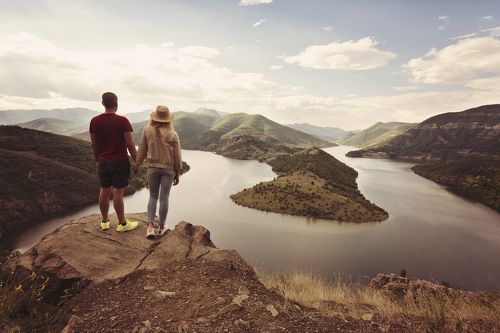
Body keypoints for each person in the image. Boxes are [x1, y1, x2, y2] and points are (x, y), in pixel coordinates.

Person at [89, 92, 139, 232]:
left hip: (104, 161)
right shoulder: (122, 121)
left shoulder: (94, 121)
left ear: (103, 103)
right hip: (120, 162)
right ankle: (122, 224)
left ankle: (105, 222)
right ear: (116, 103)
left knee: (104, 191)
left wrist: (98, 160)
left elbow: (94, 144)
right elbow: (130, 144)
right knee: (118, 194)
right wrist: (138, 161)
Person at [134, 105, 182, 238]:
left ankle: (150, 227)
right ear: (168, 120)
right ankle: (161, 227)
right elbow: (177, 156)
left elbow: (142, 149)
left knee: (153, 196)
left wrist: (137, 163)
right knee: (164, 198)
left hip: (152, 168)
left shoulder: (147, 130)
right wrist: (177, 172)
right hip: (168, 169)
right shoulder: (172, 134)